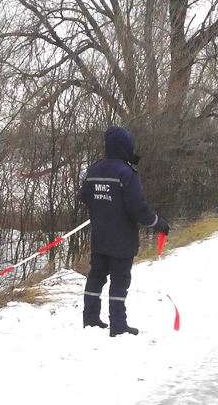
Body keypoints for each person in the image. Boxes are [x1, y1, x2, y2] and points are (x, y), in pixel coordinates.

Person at [79, 126, 169, 337]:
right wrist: (160, 224)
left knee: (96, 277)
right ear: (125, 145)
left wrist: (102, 207)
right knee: (119, 281)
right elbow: (139, 209)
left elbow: (85, 197)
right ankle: (118, 325)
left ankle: (90, 319)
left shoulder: (93, 170)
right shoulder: (126, 172)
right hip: (122, 240)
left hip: (99, 237)